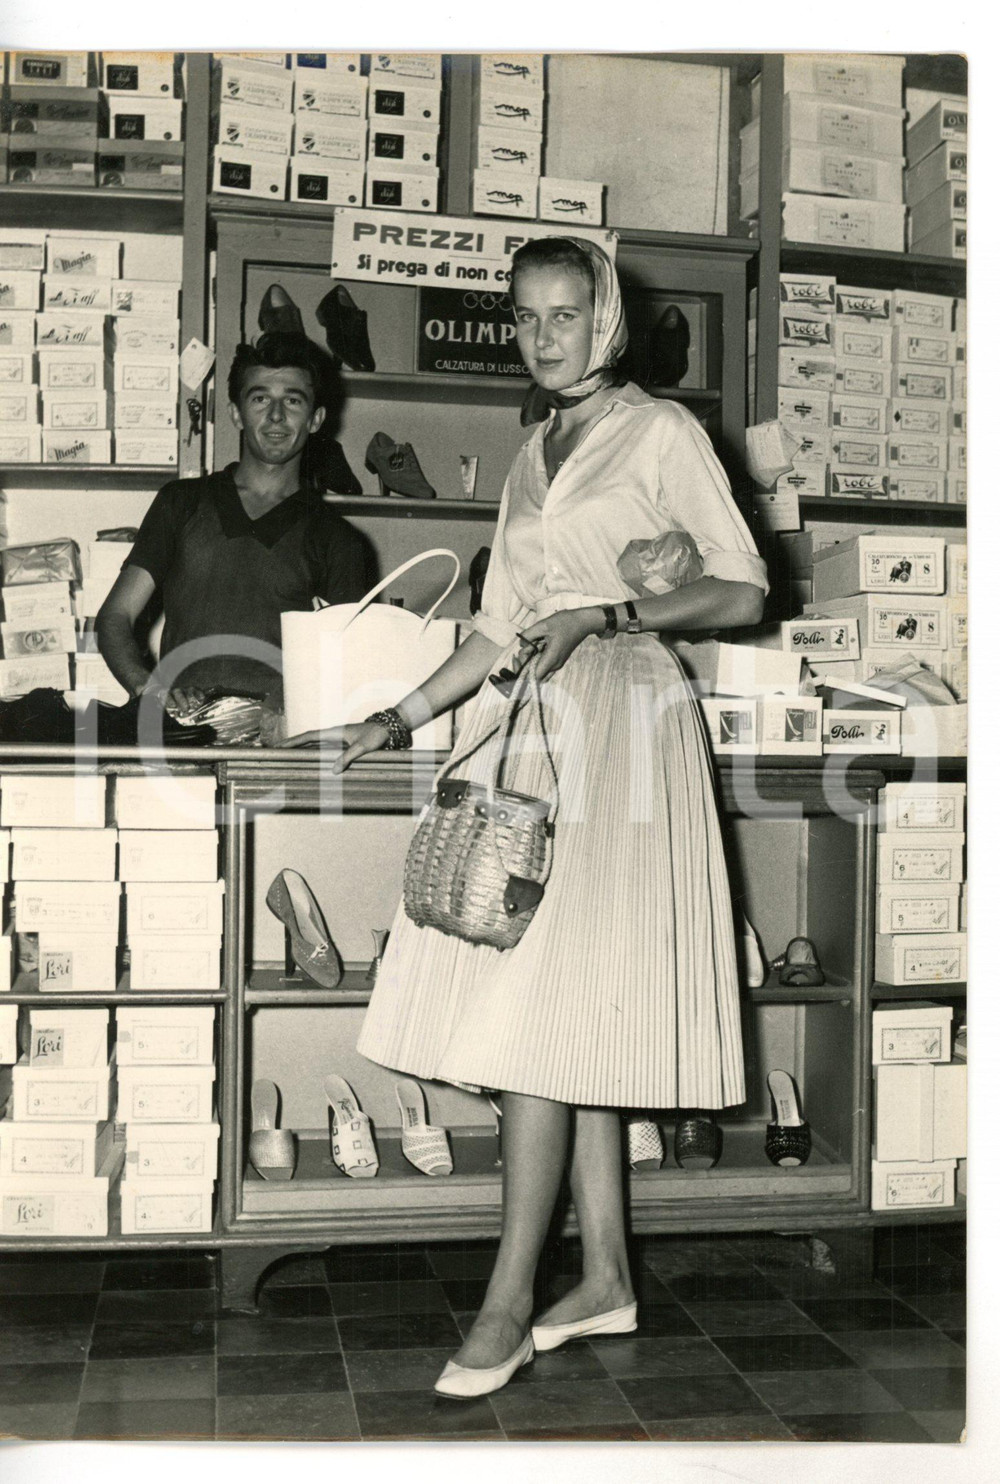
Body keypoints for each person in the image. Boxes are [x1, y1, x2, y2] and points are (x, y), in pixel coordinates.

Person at [286, 237, 768, 1397]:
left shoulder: (661, 433)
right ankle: (602, 1274)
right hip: (539, 731)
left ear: (606, 316)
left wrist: (610, 610)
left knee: (537, 1012)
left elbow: (744, 586)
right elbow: (497, 630)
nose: (546, 335)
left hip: (630, 731)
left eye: (566, 313)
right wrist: (391, 719)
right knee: (557, 1007)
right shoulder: (532, 451)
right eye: (526, 317)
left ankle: (506, 1299)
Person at [97, 332, 369, 715]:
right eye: (260, 399)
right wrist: (149, 689)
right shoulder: (182, 502)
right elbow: (115, 615)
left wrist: (289, 711)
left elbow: (349, 660)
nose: (276, 416)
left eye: (293, 400)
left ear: (316, 419)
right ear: (236, 413)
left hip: (277, 747)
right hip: (182, 734)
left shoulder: (338, 539)